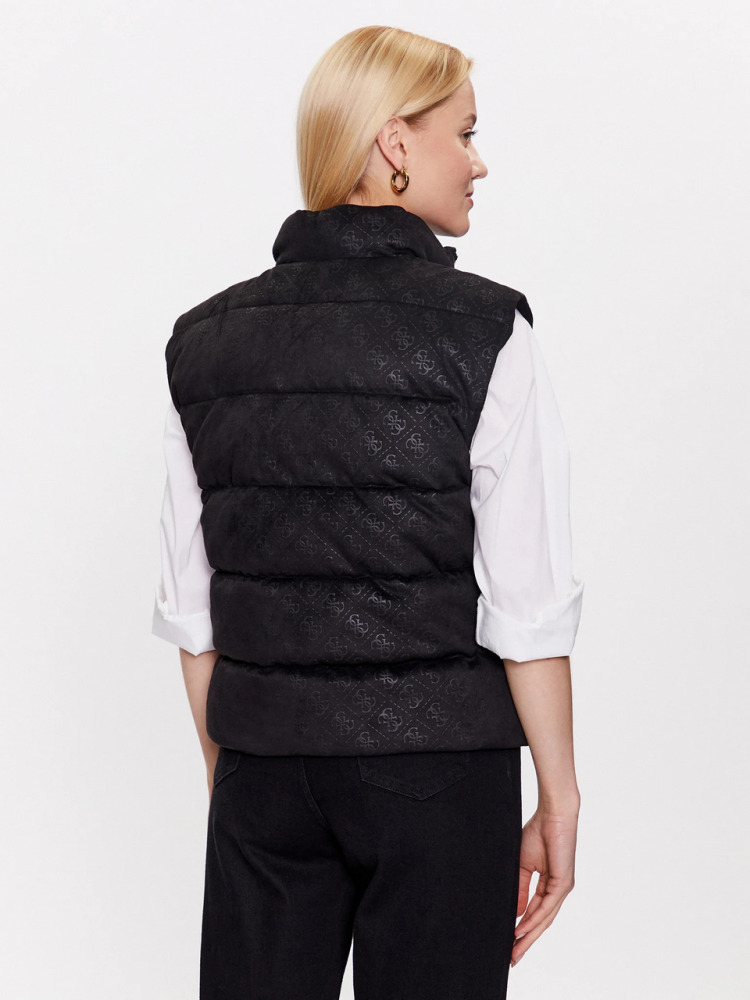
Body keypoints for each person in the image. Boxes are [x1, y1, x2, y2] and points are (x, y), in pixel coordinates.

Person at [152, 24, 583, 1000]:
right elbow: (528, 606)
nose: (478, 162)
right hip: (440, 771)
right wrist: (558, 797)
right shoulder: (488, 331)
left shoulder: (201, 342)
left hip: (265, 766)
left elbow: (193, 613)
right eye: (464, 133)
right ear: (394, 142)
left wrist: (244, 779)